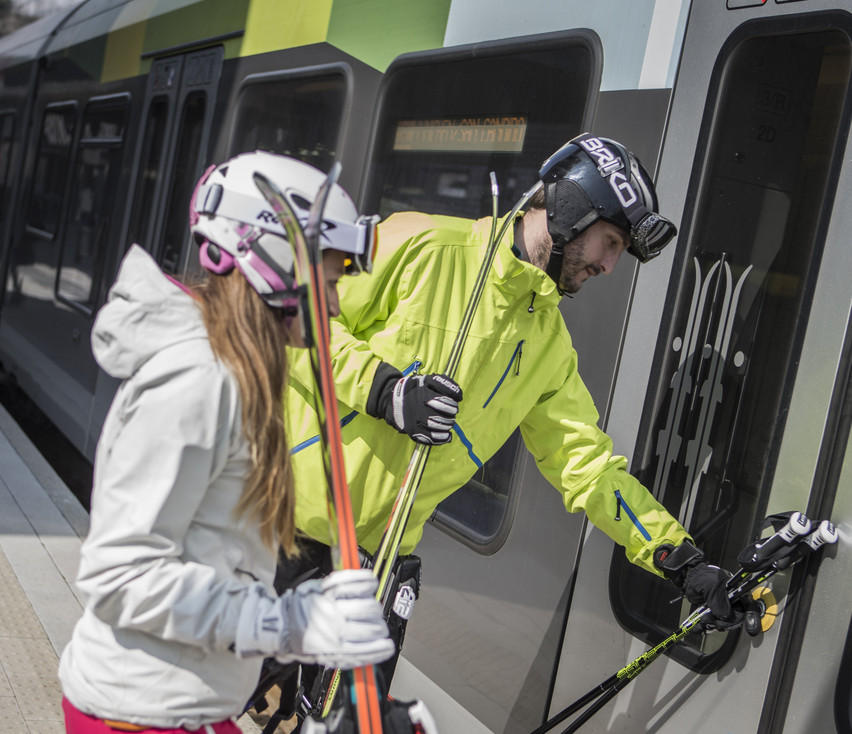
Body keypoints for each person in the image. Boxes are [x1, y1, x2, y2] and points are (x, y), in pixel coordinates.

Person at [273, 134, 741, 702]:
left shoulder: (549, 348)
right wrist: (383, 390)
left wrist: (679, 558)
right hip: (283, 528)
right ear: (573, 208)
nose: (610, 266)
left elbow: (588, 467)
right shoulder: (421, 244)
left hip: (376, 565)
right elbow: (289, 316)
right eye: (610, 242)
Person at [57, 152, 396, 734]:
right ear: (273, 259)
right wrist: (286, 626)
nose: (336, 305)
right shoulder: (199, 382)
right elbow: (120, 577)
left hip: (185, 703)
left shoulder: (239, 375)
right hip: (140, 714)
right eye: (331, 280)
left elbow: (215, 557)